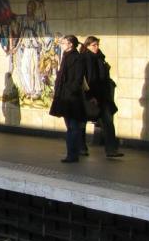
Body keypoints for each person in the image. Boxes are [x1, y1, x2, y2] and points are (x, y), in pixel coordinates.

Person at [82, 36, 124, 158]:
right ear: (88, 46)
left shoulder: (100, 58)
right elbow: (86, 79)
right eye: (93, 45)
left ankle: (111, 149)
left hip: (103, 96)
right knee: (83, 121)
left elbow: (103, 77)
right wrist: (89, 95)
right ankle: (81, 147)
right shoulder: (86, 59)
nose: (96, 47)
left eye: (97, 45)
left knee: (108, 121)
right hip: (91, 96)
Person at [50, 35, 86, 163]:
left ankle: (73, 154)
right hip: (64, 97)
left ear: (70, 44)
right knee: (70, 127)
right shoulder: (66, 56)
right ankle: (72, 153)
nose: (62, 45)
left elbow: (78, 78)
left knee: (73, 127)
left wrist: (70, 91)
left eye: (64, 42)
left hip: (71, 98)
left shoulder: (77, 58)